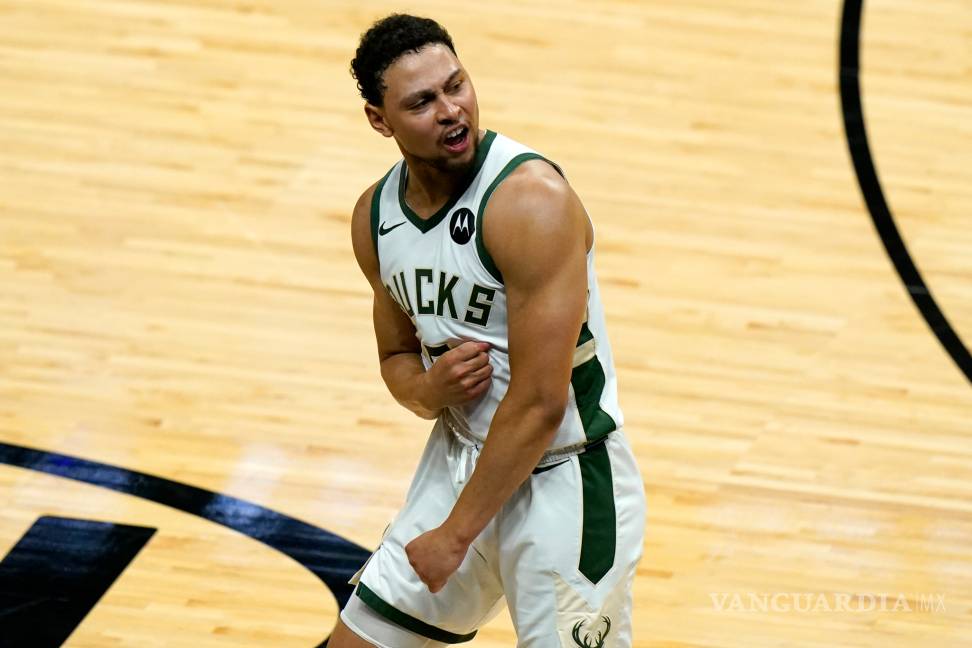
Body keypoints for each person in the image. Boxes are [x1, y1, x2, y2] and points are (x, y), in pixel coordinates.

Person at [329, 13, 646, 648]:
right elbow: (395, 355)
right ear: (379, 120)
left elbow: (539, 403)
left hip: (564, 481)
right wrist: (428, 390)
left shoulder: (530, 201)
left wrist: (455, 535)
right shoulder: (375, 216)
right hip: (458, 461)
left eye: (457, 85)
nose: (452, 111)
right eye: (422, 101)